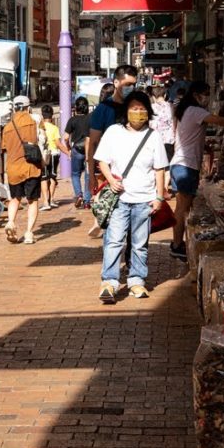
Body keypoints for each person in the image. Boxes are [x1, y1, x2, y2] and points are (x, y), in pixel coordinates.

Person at [94, 91, 169, 304]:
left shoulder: (153, 136)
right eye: (134, 108)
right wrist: (110, 179)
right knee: (114, 241)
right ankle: (109, 282)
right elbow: (102, 161)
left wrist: (159, 197)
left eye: (142, 109)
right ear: (126, 111)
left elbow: (159, 169)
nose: (138, 112)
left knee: (139, 243)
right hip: (120, 199)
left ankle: (137, 280)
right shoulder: (113, 132)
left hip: (144, 199)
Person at [168, 81, 224, 261]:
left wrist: (205, 147)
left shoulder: (186, 111)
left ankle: (180, 243)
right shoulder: (195, 111)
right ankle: (177, 245)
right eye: (205, 93)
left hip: (183, 164)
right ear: (195, 95)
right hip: (185, 166)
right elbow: (217, 120)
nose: (207, 97)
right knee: (181, 208)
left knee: (184, 208)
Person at [86, 66, 139, 237]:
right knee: (113, 225)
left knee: (135, 229)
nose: (130, 88)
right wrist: (92, 175)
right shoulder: (103, 109)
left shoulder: (137, 107)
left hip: (135, 174)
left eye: (133, 84)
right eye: (127, 84)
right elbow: (92, 143)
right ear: (116, 82)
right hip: (111, 173)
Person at [1, 94, 43, 244]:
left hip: (13, 169)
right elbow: (39, 139)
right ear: (28, 108)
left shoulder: (7, 127)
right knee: (33, 200)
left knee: (15, 198)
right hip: (31, 167)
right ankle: (29, 233)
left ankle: (11, 222)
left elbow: (4, 147)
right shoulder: (33, 122)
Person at [61, 96, 92, 209]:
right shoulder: (90, 118)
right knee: (88, 175)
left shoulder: (72, 120)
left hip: (77, 150)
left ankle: (79, 194)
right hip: (89, 150)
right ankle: (87, 202)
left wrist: (69, 148)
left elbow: (65, 137)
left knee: (75, 174)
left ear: (76, 108)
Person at [37, 104, 61, 210]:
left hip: (44, 155)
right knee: (52, 177)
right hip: (54, 153)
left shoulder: (40, 127)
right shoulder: (55, 128)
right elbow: (57, 142)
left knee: (43, 178)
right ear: (51, 116)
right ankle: (51, 200)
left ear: (42, 115)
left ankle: (46, 202)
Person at [149, 84, 175, 162]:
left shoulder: (150, 107)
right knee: (168, 163)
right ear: (165, 95)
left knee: (157, 164)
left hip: (155, 140)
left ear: (153, 97)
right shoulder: (172, 106)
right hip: (169, 140)